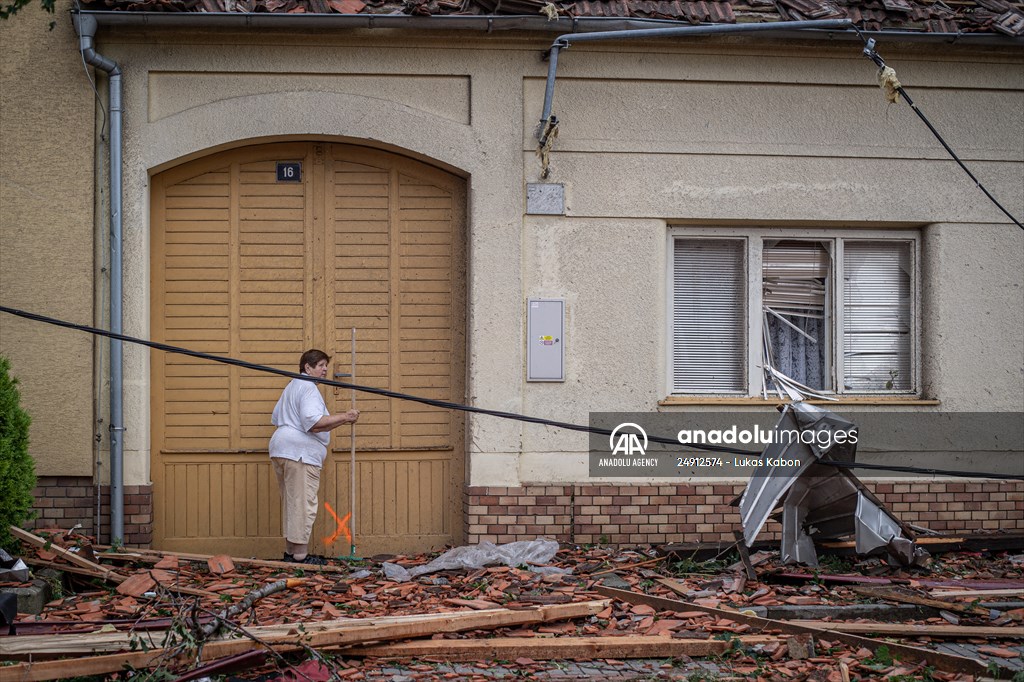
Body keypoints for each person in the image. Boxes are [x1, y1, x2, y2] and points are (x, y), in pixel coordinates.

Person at [269, 349, 359, 564]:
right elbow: (314, 423)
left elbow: (278, 416)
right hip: (299, 454)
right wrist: (346, 416)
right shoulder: (308, 387)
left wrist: (341, 420)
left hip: (283, 449)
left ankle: (291, 553)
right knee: (302, 504)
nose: (325, 369)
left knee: (293, 503)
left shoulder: (292, 385)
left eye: (326, 365)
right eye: (320, 365)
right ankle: (300, 557)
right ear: (307, 368)